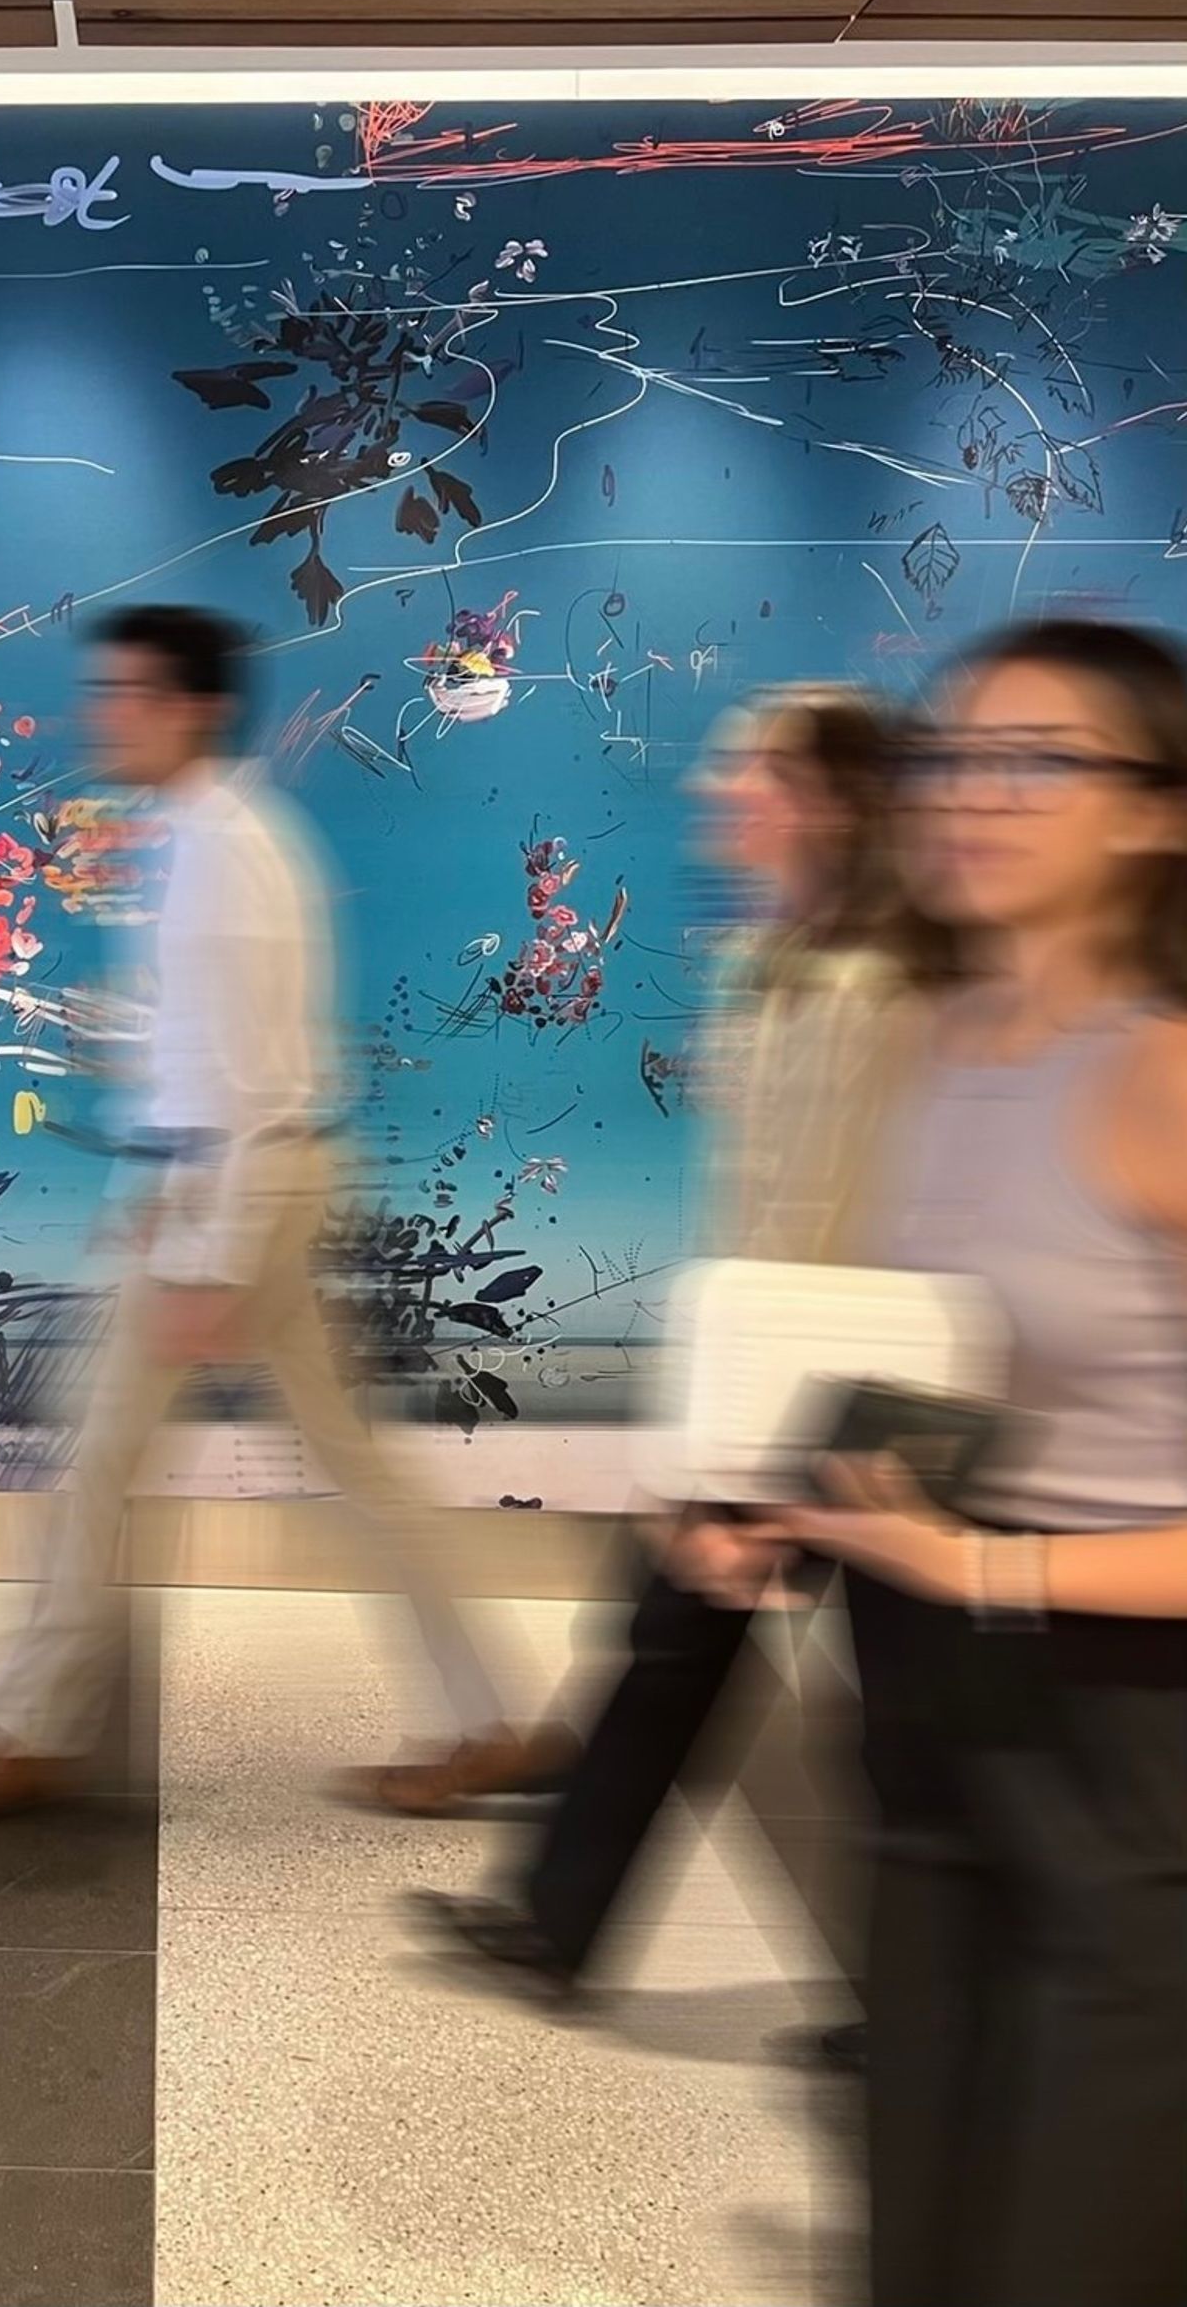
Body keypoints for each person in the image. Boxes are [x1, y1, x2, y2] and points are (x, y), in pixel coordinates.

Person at [0, 605, 570, 1819]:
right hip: (232, 1187)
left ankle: (18, 1727)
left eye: (126, 694)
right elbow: (217, 1060)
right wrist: (162, 1185)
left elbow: (247, 1083)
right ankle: (489, 1719)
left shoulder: (223, 854)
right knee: (340, 1472)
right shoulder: (204, 837)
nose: (104, 716)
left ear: (188, 708)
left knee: (92, 1467)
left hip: (241, 1196)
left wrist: (201, 1252)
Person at [764, 618, 1187, 2307]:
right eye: (952, 756)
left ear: (1160, 813)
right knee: (923, 2230)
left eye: (1039, 761)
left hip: (1124, 1735)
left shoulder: (1163, 1069)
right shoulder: (936, 1043)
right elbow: (936, 1361)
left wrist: (988, 1568)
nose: (972, 797)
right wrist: (785, 1512)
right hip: (928, 1719)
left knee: (1066, 2243)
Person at [415, 684, 947, 2012]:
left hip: (843, 1387)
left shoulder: (867, 982)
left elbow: (825, 1214)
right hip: (783, 1374)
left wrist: (750, 1453)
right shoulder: (781, 956)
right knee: (696, 1648)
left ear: (827, 799)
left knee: (897, 1711)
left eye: (753, 770)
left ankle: (911, 2005)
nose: (722, 791)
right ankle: (562, 1921)